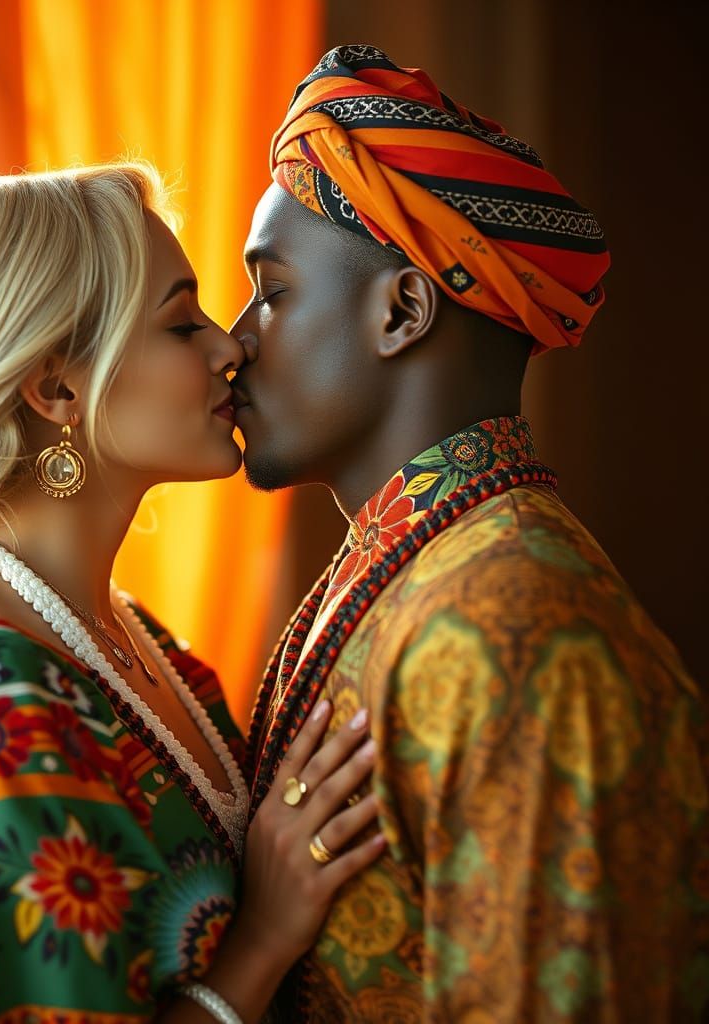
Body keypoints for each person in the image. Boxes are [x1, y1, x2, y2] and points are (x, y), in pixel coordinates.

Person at [0, 164, 389, 1023]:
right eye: (182, 323)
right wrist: (263, 938)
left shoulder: (133, 641)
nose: (232, 345)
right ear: (57, 388)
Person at [232, 45, 708, 1022]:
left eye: (272, 293)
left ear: (402, 309)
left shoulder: (521, 634)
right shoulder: (412, 566)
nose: (234, 338)